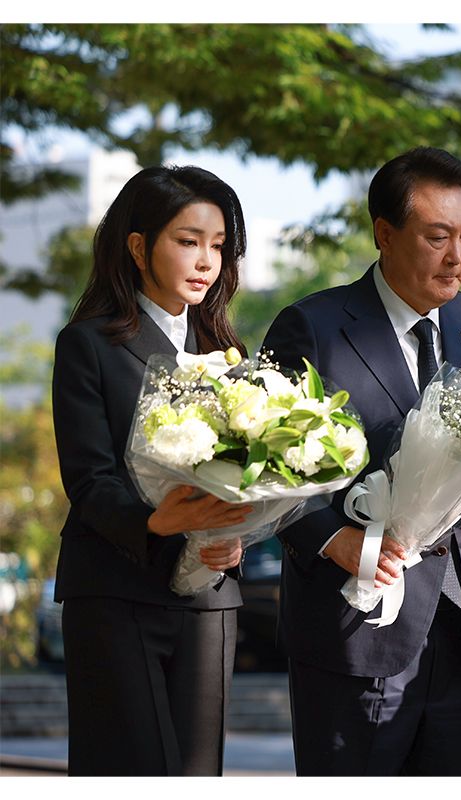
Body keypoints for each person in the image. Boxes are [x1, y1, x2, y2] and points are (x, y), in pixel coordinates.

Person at [261, 147, 461, 776]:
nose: (457, 257)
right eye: (438, 237)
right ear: (385, 234)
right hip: (355, 617)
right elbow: (264, 465)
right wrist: (333, 537)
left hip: (460, 619)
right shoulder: (313, 326)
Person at [52, 165, 253, 775]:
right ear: (139, 247)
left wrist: (237, 532)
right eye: (188, 241)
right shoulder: (88, 343)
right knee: (128, 771)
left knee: (196, 777)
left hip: (209, 600)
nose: (206, 261)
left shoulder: (229, 355)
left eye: (218, 246)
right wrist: (157, 521)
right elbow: (89, 481)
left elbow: (252, 475)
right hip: (115, 591)